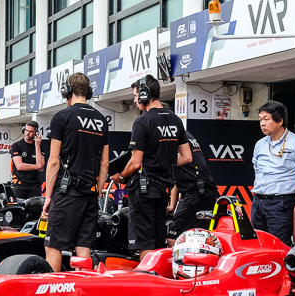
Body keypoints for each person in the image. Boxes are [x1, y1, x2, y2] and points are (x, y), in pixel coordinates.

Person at [111, 75, 190, 258]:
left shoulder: (142, 121)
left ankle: (147, 274)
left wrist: (121, 176)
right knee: (157, 240)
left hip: (144, 192)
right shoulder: (176, 120)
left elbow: (135, 162)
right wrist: (164, 160)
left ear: (145, 95)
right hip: (163, 190)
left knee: (144, 242)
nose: (135, 100)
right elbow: (186, 157)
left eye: (136, 95)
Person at [43, 72, 109, 271]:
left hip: (66, 192)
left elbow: (54, 161)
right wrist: (98, 191)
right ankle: (83, 288)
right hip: (90, 194)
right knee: (83, 247)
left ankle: (52, 288)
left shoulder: (62, 117)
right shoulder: (101, 120)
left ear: (67, 91)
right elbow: (105, 164)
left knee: (53, 245)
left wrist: (48, 196)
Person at [251, 100, 295, 246]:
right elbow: (256, 168)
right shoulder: (260, 144)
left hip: (282, 202)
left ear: (280, 121)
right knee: (258, 244)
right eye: (260, 119)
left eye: (266, 119)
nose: (262, 123)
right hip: (258, 201)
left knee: (278, 245)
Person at [167, 130, 217, 246]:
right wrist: (172, 205)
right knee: (201, 237)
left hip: (196, 193)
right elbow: (177, 178)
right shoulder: (183, 134)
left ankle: (175, 259)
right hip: (205, 191)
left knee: (173, 238)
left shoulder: (172, 136)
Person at [10, 121, 45, 199]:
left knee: (35, 206)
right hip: (19, 184)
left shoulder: (39, 147)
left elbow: (41, 165)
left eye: (30, 131)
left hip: (34, 184)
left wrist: (37, 146)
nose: (27, 133)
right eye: (26, 130)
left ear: (36, 133)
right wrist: (36, 166)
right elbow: (19, 166)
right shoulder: (16, 145)